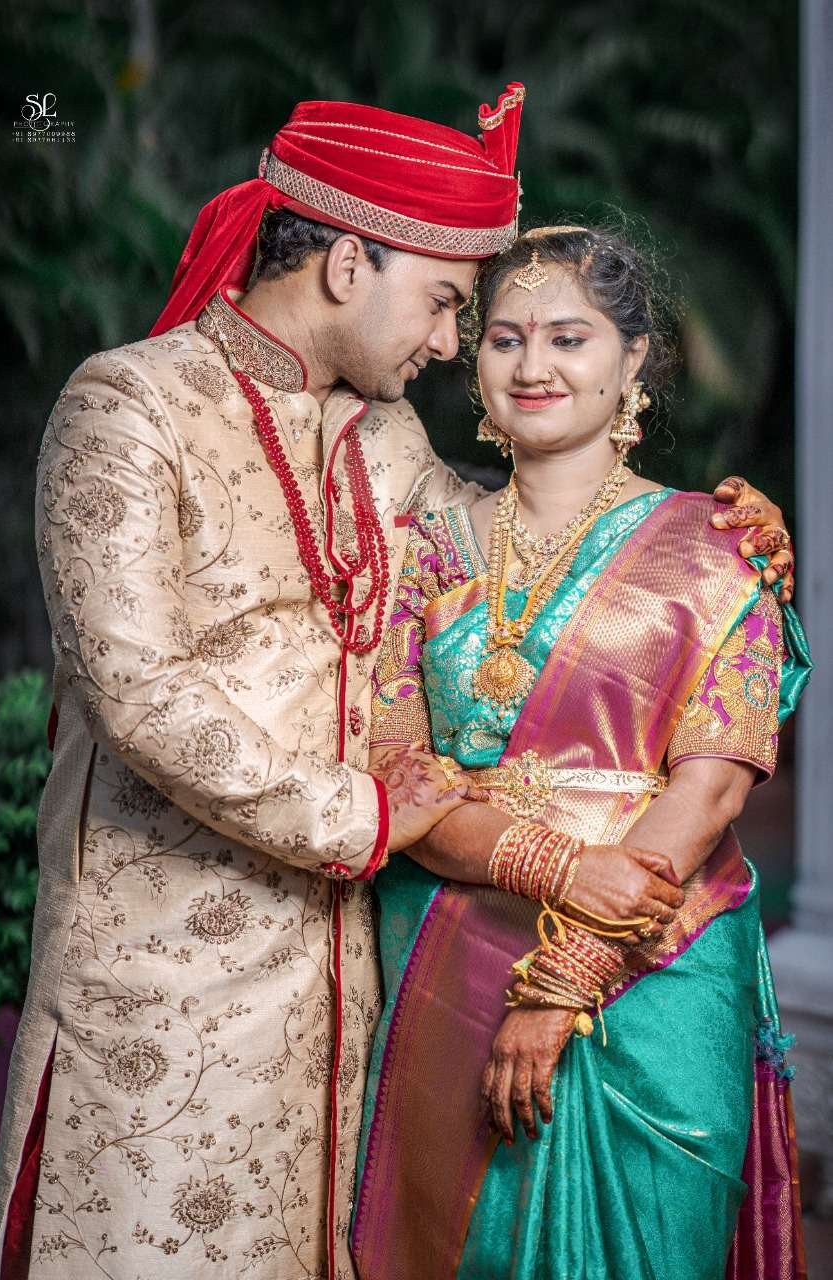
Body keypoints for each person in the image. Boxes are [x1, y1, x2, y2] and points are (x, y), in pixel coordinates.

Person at [0, 84, 791, 1278]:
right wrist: (367, 814)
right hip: (169, 976)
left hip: (354, 984)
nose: (452, 344)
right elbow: (141, 695)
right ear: (349, 262)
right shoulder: (129, 406)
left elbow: (527, 550)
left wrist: (708, 535)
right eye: (451, 303)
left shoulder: (383, 436)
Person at [352, 225, 811, 1280]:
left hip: (659, 967)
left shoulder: (719, 547)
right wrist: (552, 868)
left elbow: (707, 794)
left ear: (632, 356)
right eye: (505, 338)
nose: (534, 366)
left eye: (569, 338)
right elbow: (399, 775)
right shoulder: (426, 550)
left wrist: (566, 977)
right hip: (449, 955)